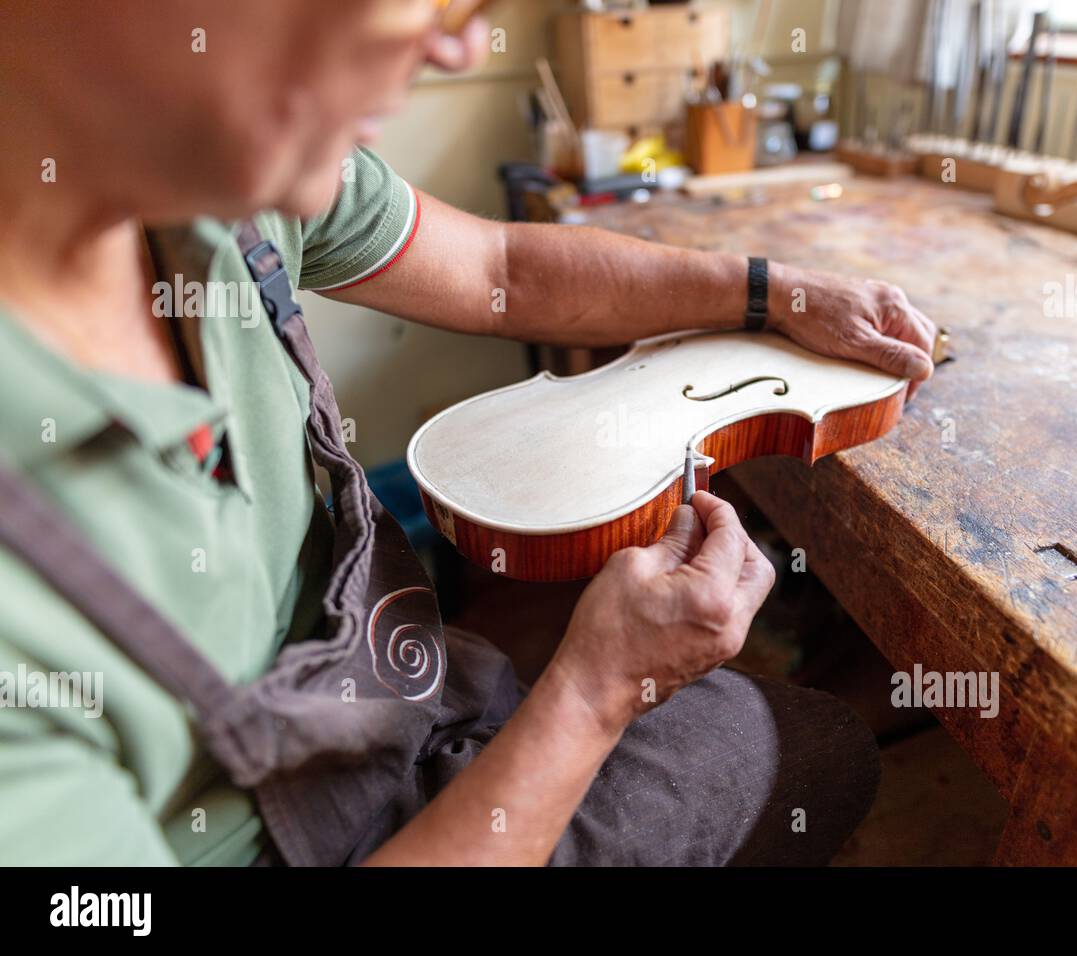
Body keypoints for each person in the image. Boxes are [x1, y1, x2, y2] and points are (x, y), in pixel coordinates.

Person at [0, 0, 937, 866]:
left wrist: (777, 293)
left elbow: (501, 268)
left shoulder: (222, 169)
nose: (453, 44)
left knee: (781, 742)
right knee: (817, 757)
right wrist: (595, 689)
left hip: (395, 696)